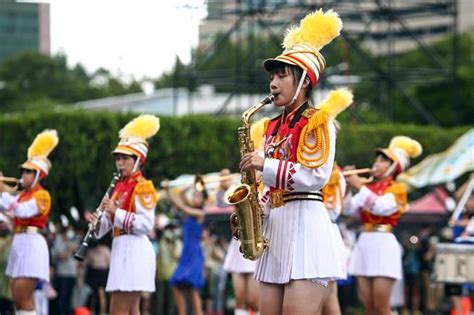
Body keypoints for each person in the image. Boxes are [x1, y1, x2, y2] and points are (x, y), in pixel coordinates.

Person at [239, 8, 346, 315]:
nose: (273, 82)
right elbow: (266, 184)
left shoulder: (318, 122)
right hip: (276, 230)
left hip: (308, 230)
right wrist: (253, 211)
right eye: (273, 75)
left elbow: (315, 176)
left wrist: (264, 165)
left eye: (282, 74)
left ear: (304, 81)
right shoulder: (271, 127)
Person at [344, 136, 422, 315]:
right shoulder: (368, 188)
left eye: (383, 160)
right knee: (368, 305)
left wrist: (358, 186)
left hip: (384, 244)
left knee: (381, 306)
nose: (377, 163)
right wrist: (348, 187)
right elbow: (348, 209)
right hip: (364, 242)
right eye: (377, 159)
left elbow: (381, 207)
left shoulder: (398, 188)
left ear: (394, 166)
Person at [93, 115, 159, 315]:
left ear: (138, 160)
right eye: (118, 158)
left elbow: (146, 225)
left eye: (125, 158)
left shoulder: (144, 186)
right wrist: (97, 223)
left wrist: (115, 212)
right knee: (130, 310)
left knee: (119, 310)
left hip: (135, 249)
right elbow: (108, 223)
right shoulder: (118, 186)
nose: (120, 163)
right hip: (121, 247)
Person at [0, 129, 59, 315]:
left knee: (22, 296)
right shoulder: (23, 195)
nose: (23, 174)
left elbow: (22, 211)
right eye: (23, 171)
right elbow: (8, 210)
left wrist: (3, 190)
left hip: (32, 244)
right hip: (20, 242)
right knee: (17, 299)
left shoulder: (42, 196)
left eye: (28, 172)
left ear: (38, 175)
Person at [164, 175, 207, 315]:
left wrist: (171, 192)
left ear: (203, 200)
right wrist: (193, 184)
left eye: (198, 196)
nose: (195, 197)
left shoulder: (200, 213)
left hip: (194, 253)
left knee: (192, 289)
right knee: (176, 284)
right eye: (194, 195)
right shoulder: (189, 210)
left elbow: (181, 206)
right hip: (186, 252)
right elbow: (181, 195)